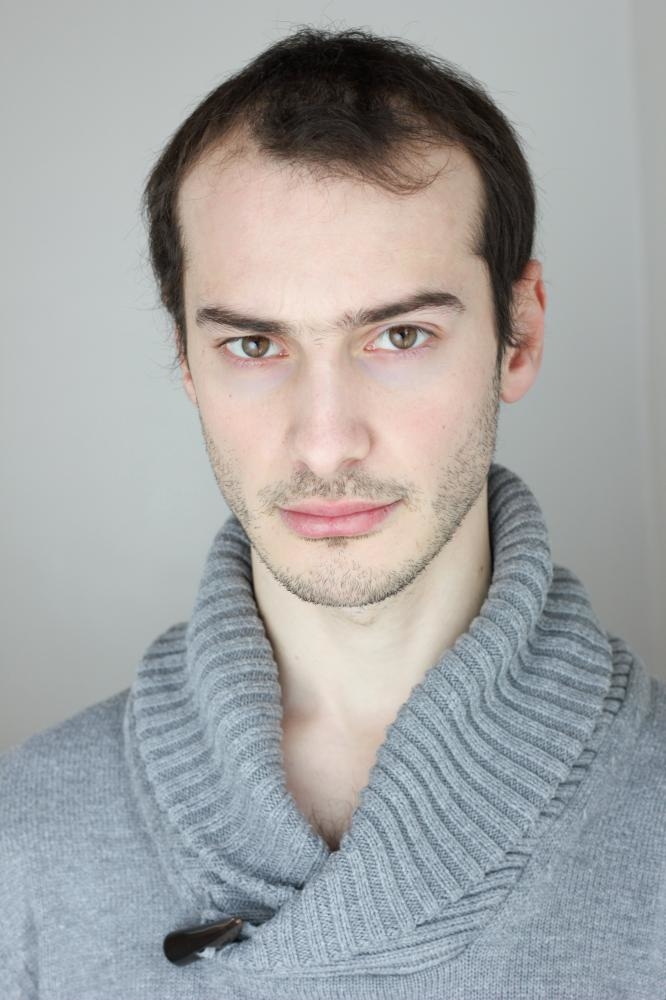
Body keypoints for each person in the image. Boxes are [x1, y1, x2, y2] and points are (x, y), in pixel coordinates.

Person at [1, 25, 664, 1000]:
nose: (324, 444)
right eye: (254, 346)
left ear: (519, 336)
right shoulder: (22, 839)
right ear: (186, 359)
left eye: (400, 336)